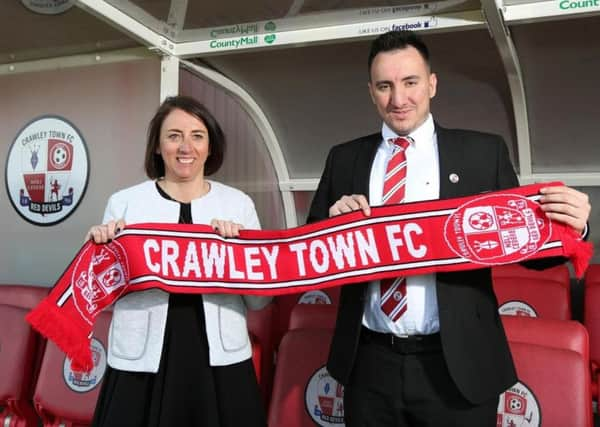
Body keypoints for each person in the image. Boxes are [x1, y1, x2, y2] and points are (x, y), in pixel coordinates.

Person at [307, 30, 591, 427]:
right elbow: (307, 255)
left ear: (432, 84)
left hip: (458, 365)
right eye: (385, 86)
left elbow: (530, 252)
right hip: (368, 364)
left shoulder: (482, 153)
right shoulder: (344, 158)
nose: (398, 99)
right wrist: (333, 229)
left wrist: (573, 230)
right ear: (371, 91)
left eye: (410, 82)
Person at [87, 95, 270, 427]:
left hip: (220, 361)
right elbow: (100, 298)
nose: (186, 146)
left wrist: (241, 252)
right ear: (157, 146)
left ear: (211, 147)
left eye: (197, 135)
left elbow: (259, 301)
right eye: (174, 136)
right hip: (141, 363)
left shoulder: (238, 205)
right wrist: (102, 253)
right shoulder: (124, 203)